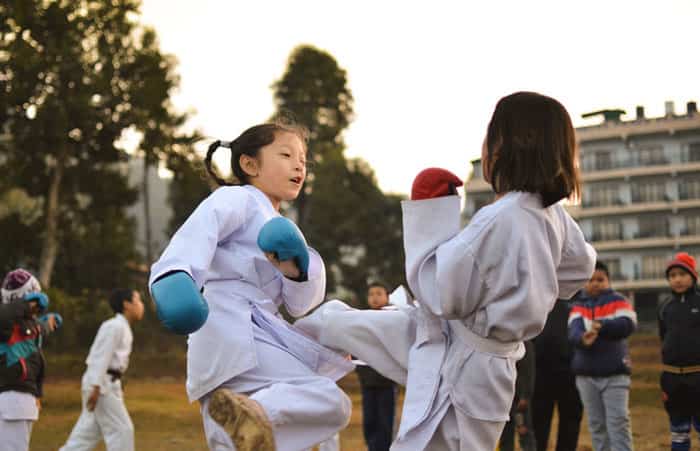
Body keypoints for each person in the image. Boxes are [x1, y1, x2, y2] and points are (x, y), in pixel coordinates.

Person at [297, 91, 596, 450]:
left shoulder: (500, 218)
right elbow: (579, 269)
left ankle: (275, 366)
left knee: (440, 443)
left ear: (507, 147)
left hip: (466, 357)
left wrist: (431, 215)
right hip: (486, 356)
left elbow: (440, 295)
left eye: (490, 136)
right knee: (346, 324)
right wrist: (531, 284)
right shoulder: (553, 215)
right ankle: (281, 364)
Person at [149, 123, 353, 451]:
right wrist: (175, 277)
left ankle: (252, 416)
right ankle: (259, 413)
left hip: (253, 337)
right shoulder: (237, 198)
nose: (299, 165)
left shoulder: (284, 226)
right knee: (329, 401)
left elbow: (300, 305)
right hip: (231, 325)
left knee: (256, 438)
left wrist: (296, 273)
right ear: (249, 164)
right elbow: (199, 233)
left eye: (303, 159)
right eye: (287, 155)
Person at [60, 288, 144, 451]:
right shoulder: (114, 326)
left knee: (86, 436)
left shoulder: (122, 327)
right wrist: (96, 386)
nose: (141, 306)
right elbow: (100, 357)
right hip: (101, 386)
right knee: (122, 430)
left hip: (107, 385)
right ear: (127, 305)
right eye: (138, 301)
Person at [568, 261, 636, 451]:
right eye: (590, 280)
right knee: (597, 425)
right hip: (586, 376)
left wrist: (602, 326)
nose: (595, 283)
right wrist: (583, 338)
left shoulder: (619, 301)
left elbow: (628, 324)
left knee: (619, 422)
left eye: (601, 279)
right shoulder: (577, 307)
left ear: (608, 281)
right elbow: (573, 333)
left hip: (615, 374)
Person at [0, 268, 61, 451]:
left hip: (25, 399)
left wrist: (48, 322)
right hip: (12, 399)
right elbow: (6, 316)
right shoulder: (6, 324)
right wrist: (26, 303)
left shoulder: (25, 325)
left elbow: (37, 330)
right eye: (34, 298)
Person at [658, 252, 700, 451]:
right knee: (678, 431)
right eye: (672, 275)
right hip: (673, 379)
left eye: (682, 274)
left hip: (698, 376)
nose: (677, 279)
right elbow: (663, 337)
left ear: (693, 276)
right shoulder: (665, 306)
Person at [532, 297, 583, 451]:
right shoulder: (538, 293)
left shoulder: (579, 297)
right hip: (539, 372)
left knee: (570, 423)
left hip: (571, 372)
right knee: (538, 424)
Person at [355, 282, 397, 451]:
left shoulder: (394, 319)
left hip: (387, 381)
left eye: (379, 293)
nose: (375, 297)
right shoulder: (362, 319)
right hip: (367, 382)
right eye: (371, 294)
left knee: (385, 422)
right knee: (369, 421)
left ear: (387, 297)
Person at [499, 340, 536, 451]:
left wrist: (525, 396)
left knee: (524, 431)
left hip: (519, 399)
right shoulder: (502, 343)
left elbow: (529, 371)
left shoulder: (525, 344)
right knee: (505, 434)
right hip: (504, 397)